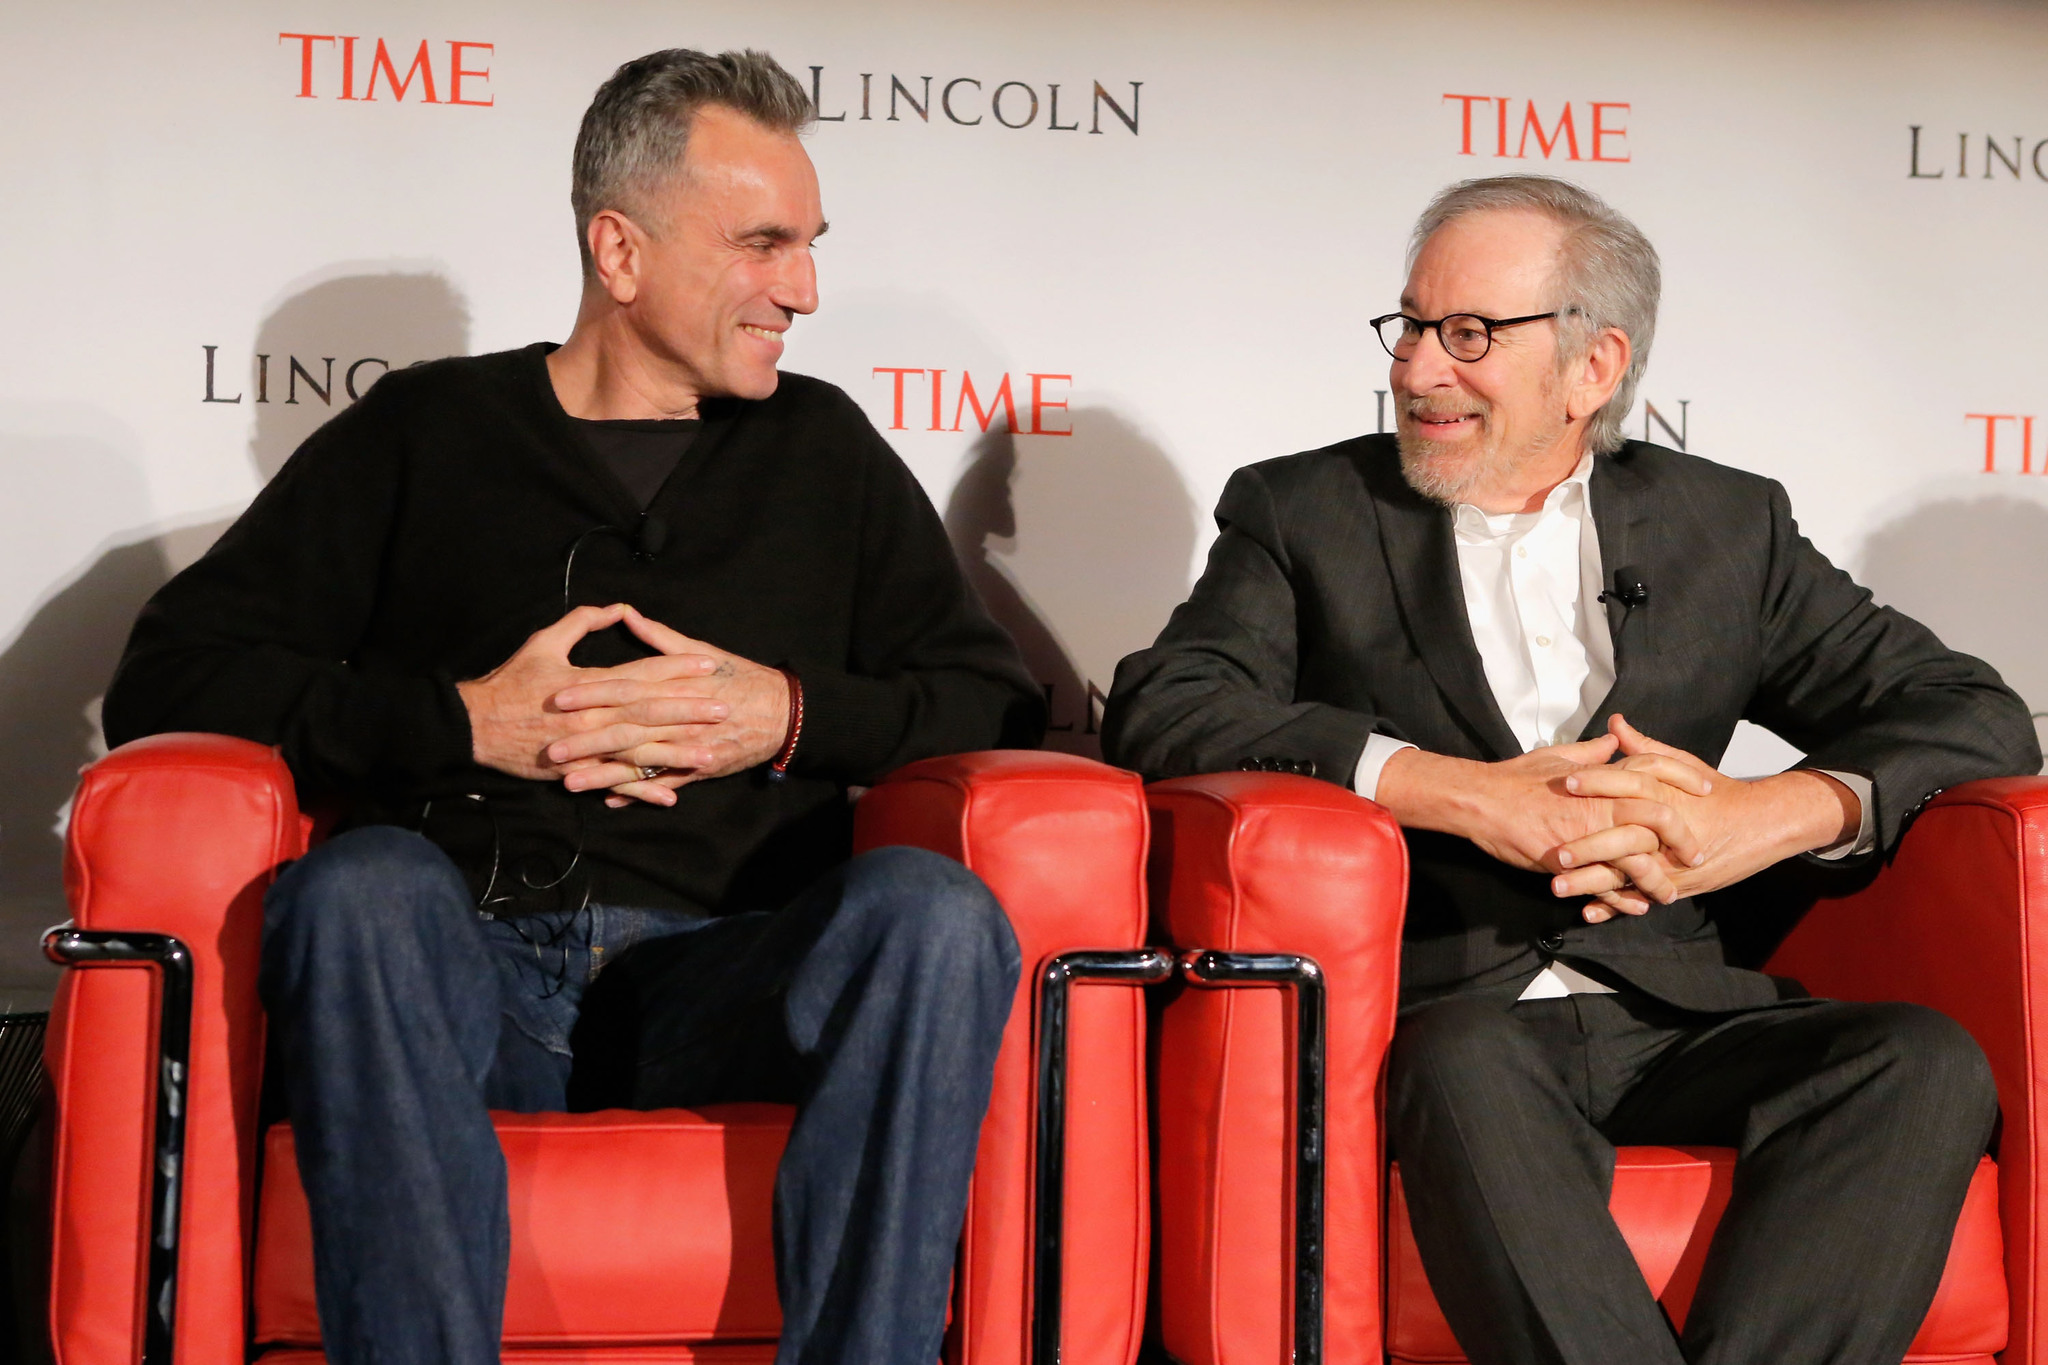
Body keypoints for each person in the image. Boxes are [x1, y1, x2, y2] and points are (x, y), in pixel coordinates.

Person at [103, 49, 1044, 1365]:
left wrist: (785, 715)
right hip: (462, 979)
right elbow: (174, 674)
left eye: (811, 245)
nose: (806, 289)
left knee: (935, 915)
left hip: (714, 978)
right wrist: (464, 723)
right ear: (621, 249)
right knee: (361, 888)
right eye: (764, 244)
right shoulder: (423, 435)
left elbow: (998, 707)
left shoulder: (821, 453)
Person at [1102, 174, 2042, 1365]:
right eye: (1412, 327)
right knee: (1465, 1062)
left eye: (1469, 336)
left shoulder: (1724, 526)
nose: (1416, 369)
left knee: (1916, 1060)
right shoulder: (1307, 512)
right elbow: (1168, 706)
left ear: (1593, 367)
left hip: (1675, 1006)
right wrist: (1459, 793)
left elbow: (1969, 710)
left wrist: (1771, 813)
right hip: (1449, 1012)